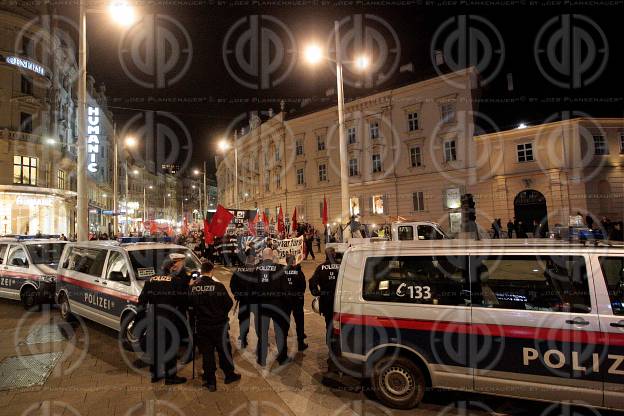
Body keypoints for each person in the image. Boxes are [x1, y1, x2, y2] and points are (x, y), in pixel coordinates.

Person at [188, 261, 241, 391]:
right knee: (224, 350)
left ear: (201, 271)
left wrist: (190, 287)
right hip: (219, 325)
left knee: (207, 353)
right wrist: (220, 314)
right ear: (211, 271)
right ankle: (229, 375)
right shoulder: (218, 286)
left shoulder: (194, 288)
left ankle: (210, 381)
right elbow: (228, 304)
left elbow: (190, 307)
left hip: (202, 326)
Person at [137, 253, 188, 385]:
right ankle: (170, 377)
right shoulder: (175, 282)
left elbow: (142, 301)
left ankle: (155, 374)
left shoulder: (151, 280)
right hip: (169, 319)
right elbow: (183, 301)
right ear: (170, 268)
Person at [254, 248, 289, 366]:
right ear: (272, 256)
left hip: (262, 304)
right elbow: (285, 289)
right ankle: (282, 357)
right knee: (279, 332)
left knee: (263, 332)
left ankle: (261, 358)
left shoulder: (256, 269)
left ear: (263, 256)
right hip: (277, 304)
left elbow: (251, 288)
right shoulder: (279, 268)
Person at [309, 247, 340, 345]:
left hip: (326, 301)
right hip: (339, 300)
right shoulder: (341, 266)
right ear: (334, 254)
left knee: (329, 324)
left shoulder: (320, 268)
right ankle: (338, 346)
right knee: (339, 324)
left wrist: (317, 293)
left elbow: (312, 281)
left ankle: (331, 347)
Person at [230, 255, 256, 348]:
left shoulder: (239, 270)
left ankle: (243, 338)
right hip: (255, 300)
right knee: (258, 321)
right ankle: (261, 339)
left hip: (243, 300)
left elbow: (232, 284)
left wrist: (237, 294)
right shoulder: (257, 270)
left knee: (244, 319)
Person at [284, 254, 308, 351]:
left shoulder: (282, 272)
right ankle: (300, 343)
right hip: (297, 300)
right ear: (293, 261)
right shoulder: (298, 271)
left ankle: (283, 345)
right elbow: (303, 285)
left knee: (285, 322)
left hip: (286, 301)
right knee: (299, 322)